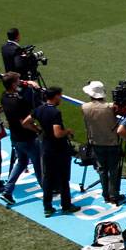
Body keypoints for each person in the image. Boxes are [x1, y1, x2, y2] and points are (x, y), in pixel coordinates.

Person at [0, 72, 43, 204]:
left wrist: (26, 83)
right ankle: (46, 189)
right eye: (17, 81)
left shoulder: (4, 97)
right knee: (38, 163)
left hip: (15, 136)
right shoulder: (19, 101)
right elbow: (26, 123)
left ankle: (7, 191)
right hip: (27, 137)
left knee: (21, 163)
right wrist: (38, 130)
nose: (19, 82)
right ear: (13, 84)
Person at [33, 86, 78, 216]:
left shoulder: (39, 109)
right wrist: (68, 132)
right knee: (63, 178)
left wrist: (39, 131)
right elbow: (57, 133)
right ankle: (66, 205)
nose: (61, 98)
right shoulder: (55, 113)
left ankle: (47, 207)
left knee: (47, 177)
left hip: (46, 148)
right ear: (56, 96)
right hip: (58, 149)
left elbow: (26, 122)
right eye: (60, 95)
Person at [80, 80, 122, 206]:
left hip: (96, 142)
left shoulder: (85, 107)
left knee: (102, 169)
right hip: (112, 142)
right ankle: (114, 194)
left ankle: (106, 194)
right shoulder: (111, 107)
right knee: (114, 169)